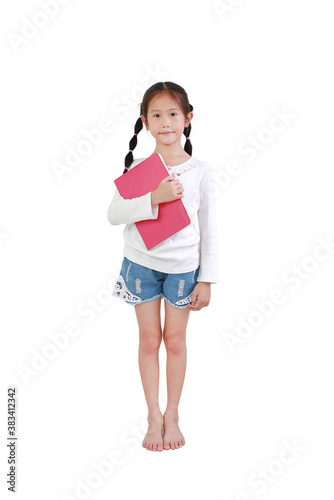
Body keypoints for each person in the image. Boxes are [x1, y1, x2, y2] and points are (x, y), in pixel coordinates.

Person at [107, 81, 219, 452]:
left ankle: (173, 414)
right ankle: (153, 416)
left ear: (188, 119)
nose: (166, 121)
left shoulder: (201, 170)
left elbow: (211, 228)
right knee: (149, 339)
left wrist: (207, 278)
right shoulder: (138, 168)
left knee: (174, 340)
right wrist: (153, 197)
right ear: (145, 121)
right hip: (140, 264)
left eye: (173, 114)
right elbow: (114, 213)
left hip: (183, 271)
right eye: (157, 115)